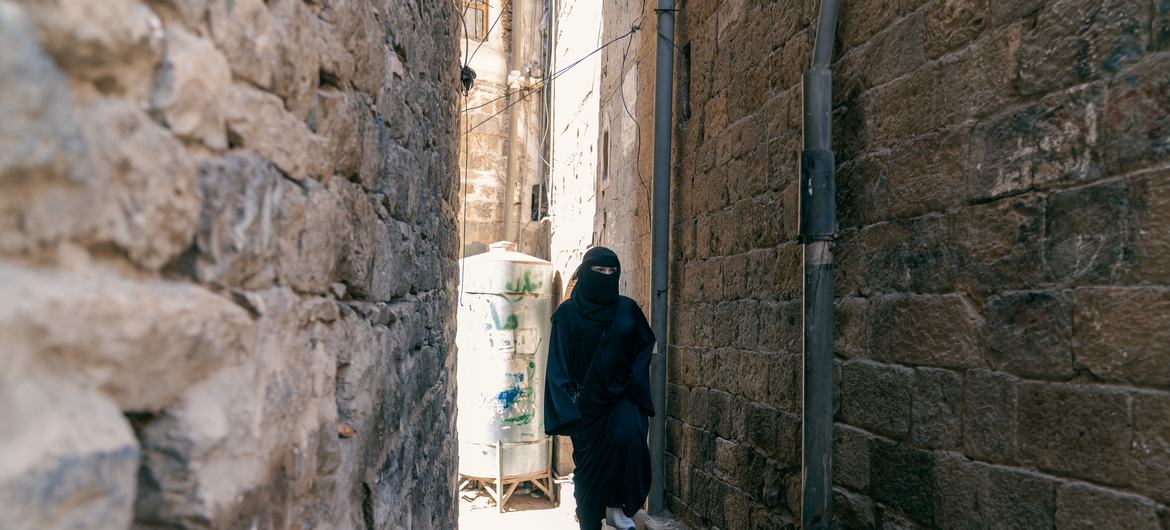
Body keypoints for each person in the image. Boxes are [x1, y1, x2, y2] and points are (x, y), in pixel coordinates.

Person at [544, 247, 655, 530]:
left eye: (611, 272)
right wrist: (568, 409)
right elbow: (558, 364)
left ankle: (617, 507)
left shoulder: (627, 309)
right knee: (588, 473)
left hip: (621, 396)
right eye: (599, 271)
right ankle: (590, 520)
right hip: (586, 406)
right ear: (585, 273)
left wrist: (631, 380)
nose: (606, 276)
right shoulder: (568, 314)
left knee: (628, 439)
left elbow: (643, 345)